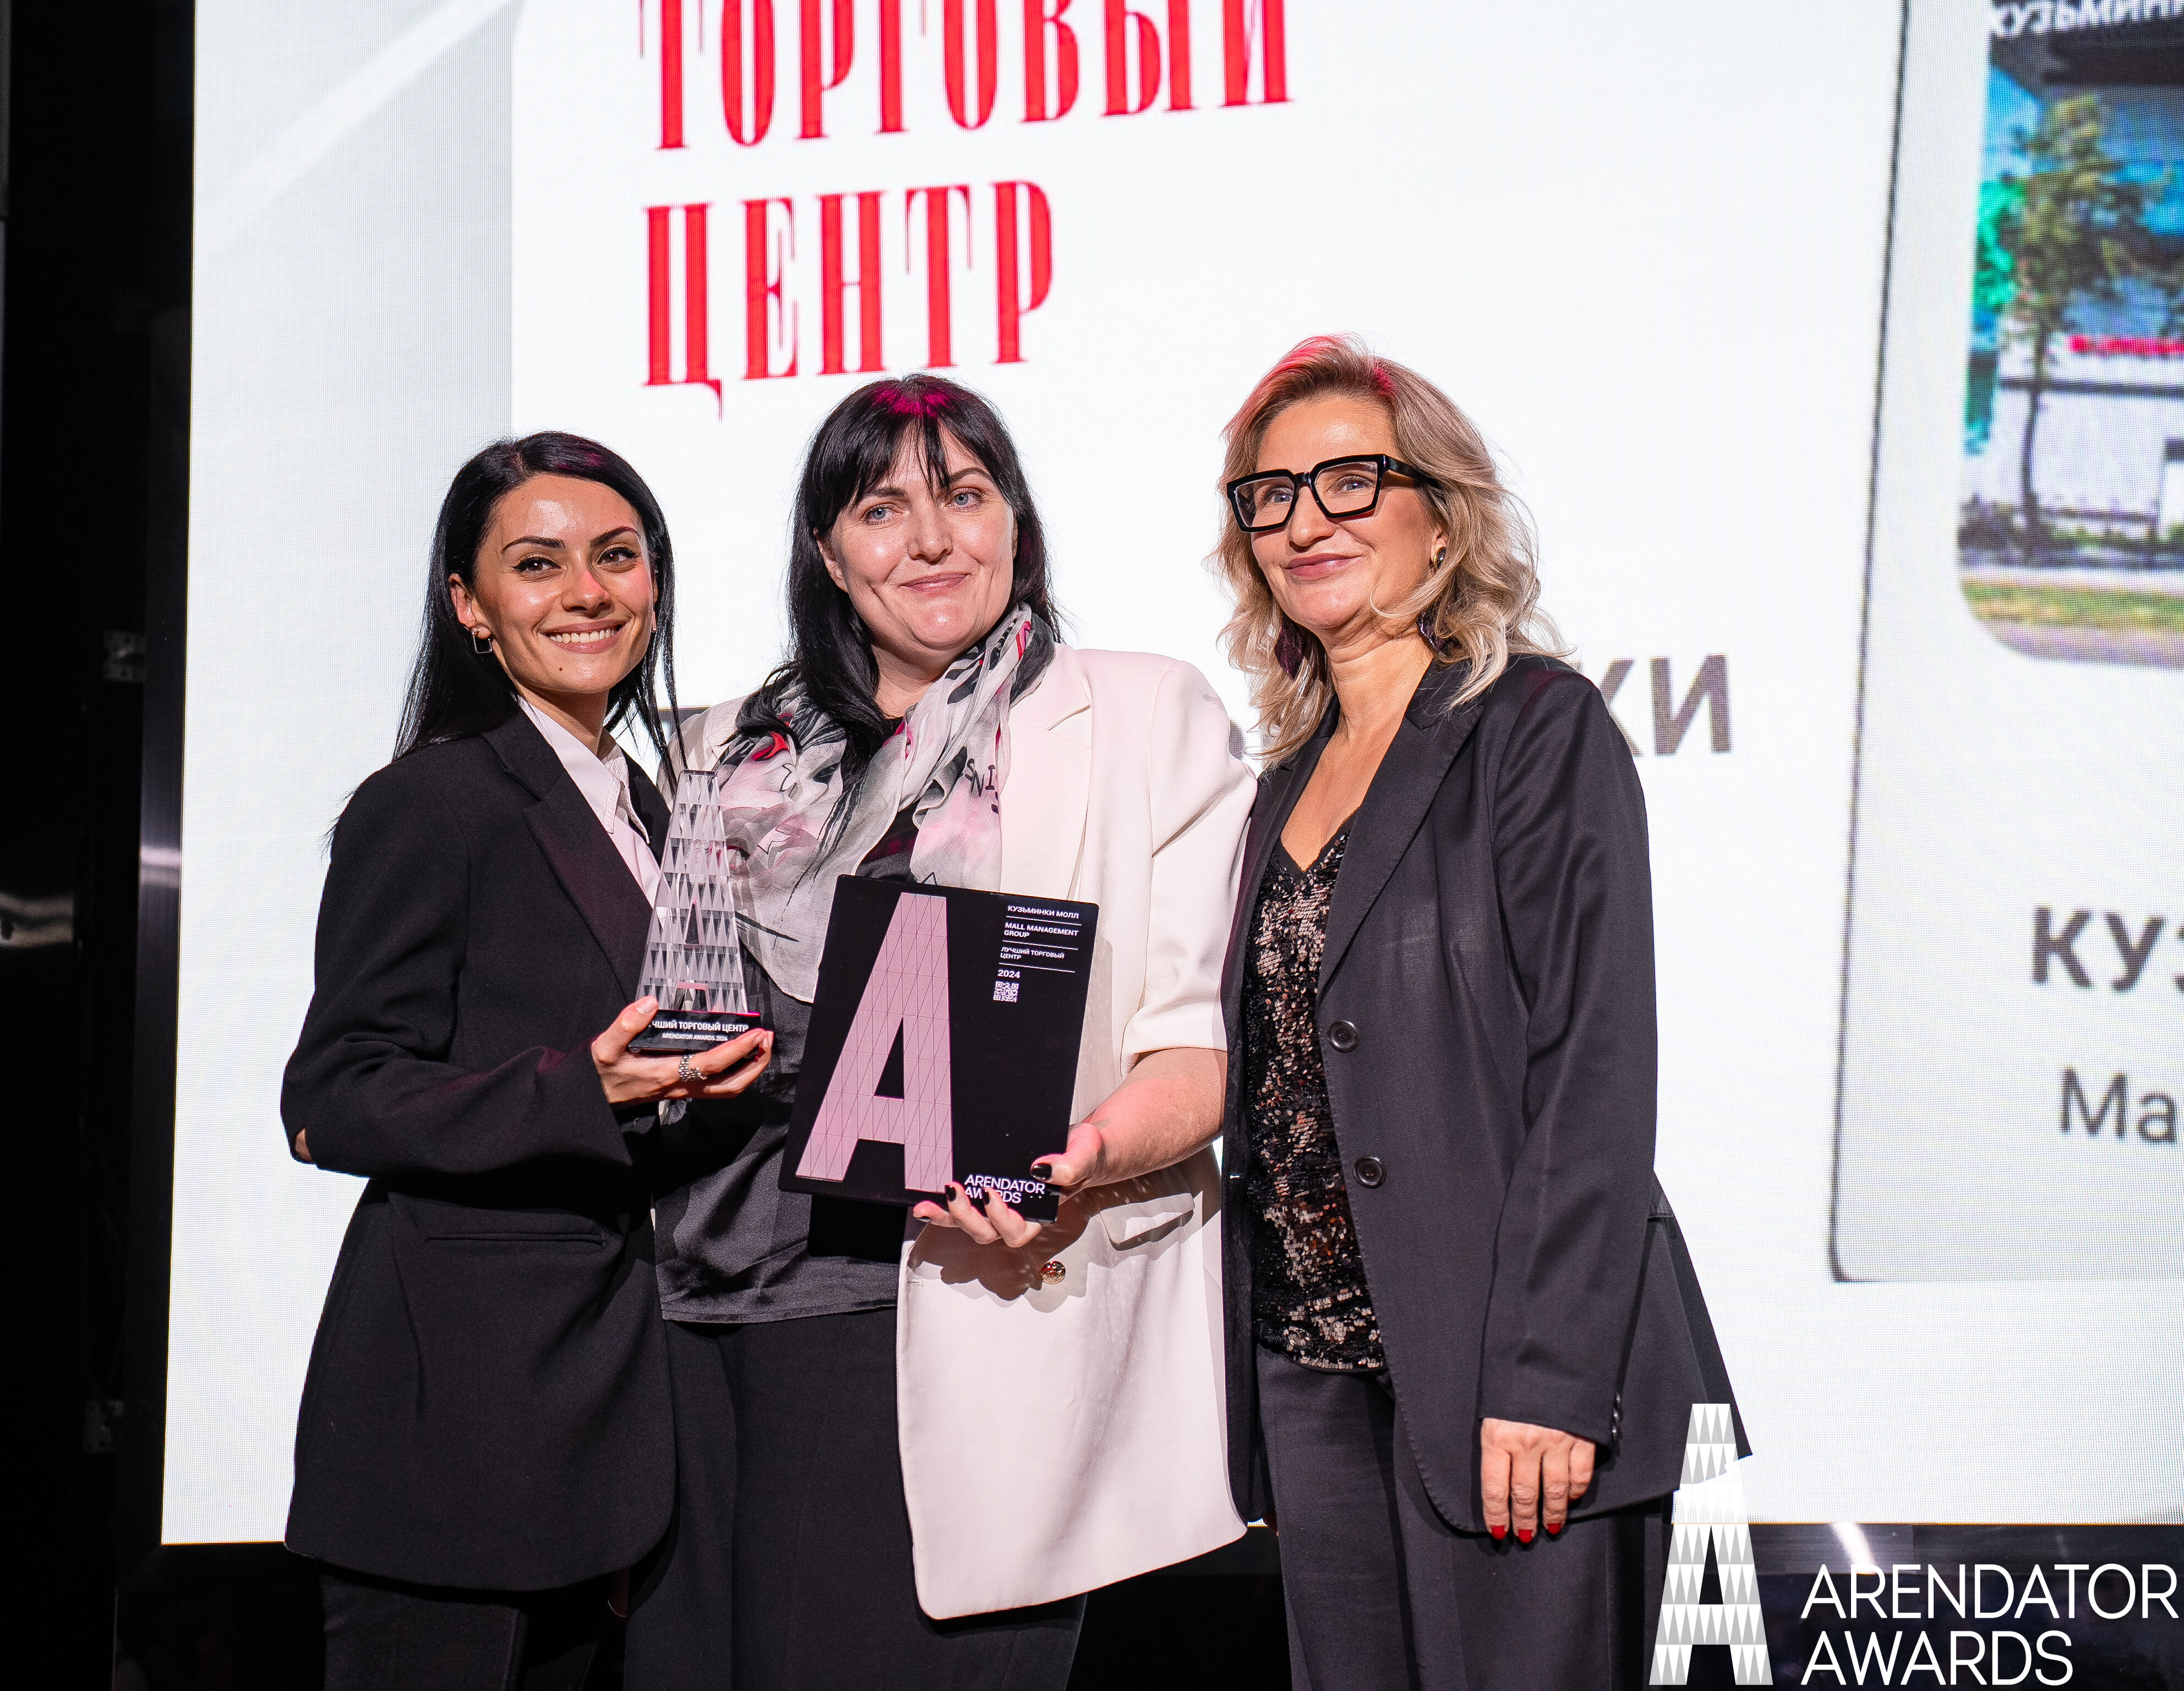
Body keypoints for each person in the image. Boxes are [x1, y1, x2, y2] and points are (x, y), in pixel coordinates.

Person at [625, 376, 1255, 1691]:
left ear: (1016, 522)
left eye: (964, 497)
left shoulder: (1139, 718)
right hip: (695, 1319)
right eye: (880, 509)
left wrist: (1071, 1168)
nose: (929, 540)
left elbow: (1195, 1052)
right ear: (827, 550)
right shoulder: (720, 754)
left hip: (940, 1304)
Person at [1210, 335, 1744, 1691]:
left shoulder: (1537, 729)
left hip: (1506, 1383)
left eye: (1350, 481)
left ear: (1443, 519)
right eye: (1270, 496)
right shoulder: (1276, 784)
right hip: (1313, 1378)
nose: (1305, 522)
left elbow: (1594, 1071)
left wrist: (1549, 1380)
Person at [280, 433, 773, 1691]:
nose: (587, 593)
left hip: (608, 1429)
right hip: (456, 1433)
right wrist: (575, 1090)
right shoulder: (433, 801)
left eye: (617, 557)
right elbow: (332, 1096)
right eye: (539, 565)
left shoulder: (657, 807)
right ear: (472, 606)